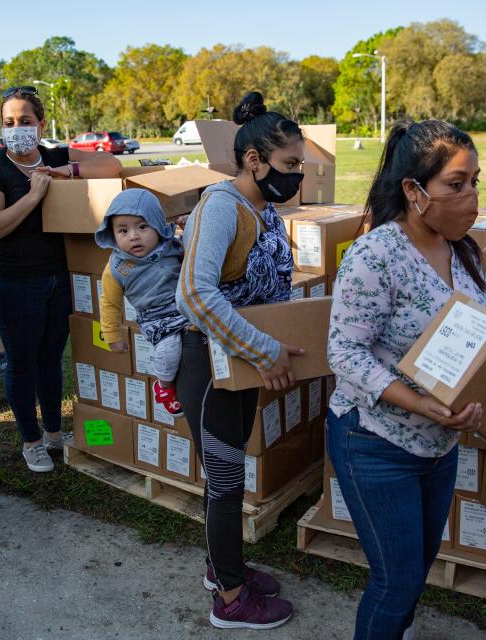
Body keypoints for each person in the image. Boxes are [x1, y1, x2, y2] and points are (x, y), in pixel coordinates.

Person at [326, 119, 486, 640]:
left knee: (418, 567)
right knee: (395, 583)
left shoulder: (462, 249)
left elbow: (481, 350)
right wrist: (420, 405)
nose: (472, 198)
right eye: (456, 185)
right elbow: (343, 351)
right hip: (375, 441)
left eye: (476, 182)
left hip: (438, 448)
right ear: (414, 191)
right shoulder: (375, 257)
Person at [175, 91, 303, 630]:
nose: (297, 175)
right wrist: (266, 349)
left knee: (227, 477)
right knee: (225, 481)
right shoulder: (222, 206)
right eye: (290, 164)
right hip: (211, 368)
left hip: (241, 364)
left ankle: (222, 568)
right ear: (255, 160)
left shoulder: (262, 207)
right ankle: (229, 600)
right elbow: (195, 295)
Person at [0, 86, 122, 473]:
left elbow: (112, 167)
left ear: (40, 124)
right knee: (22, 362)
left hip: (57, 277)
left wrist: (65, 170)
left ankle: (55, 432)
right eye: (8, 123)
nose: (16, 129)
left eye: (24, 121)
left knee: (51, 359)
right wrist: (33, 195)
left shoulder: (54, 156)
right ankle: (32, 440)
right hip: (12, 282)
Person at [95, 189, 187, 415]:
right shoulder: (119, 267)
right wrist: (113, 337)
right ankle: (164, 386)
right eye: (123, 230)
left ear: (157, 224)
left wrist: (190, 225)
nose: (133, 236)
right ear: (113, 233)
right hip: (157, 318)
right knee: (170, 351)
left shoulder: (171, 246)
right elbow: (109, 303)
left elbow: (197, 251)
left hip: (187, 306)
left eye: (142, 227)